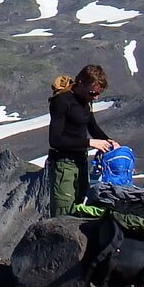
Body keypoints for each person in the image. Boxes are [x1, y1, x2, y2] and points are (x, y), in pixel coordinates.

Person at [47, 63, 119, 217]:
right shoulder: (61, 101)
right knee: (64, 212)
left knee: (80, 207)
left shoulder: (86, 101)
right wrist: (89, 143)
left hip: (81, 162)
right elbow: (55, 140)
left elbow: (92, 127)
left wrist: (109, 141)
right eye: (93, 93)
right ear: (81, 83)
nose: (95, 97)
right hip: (64, 164)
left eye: (98, 94)